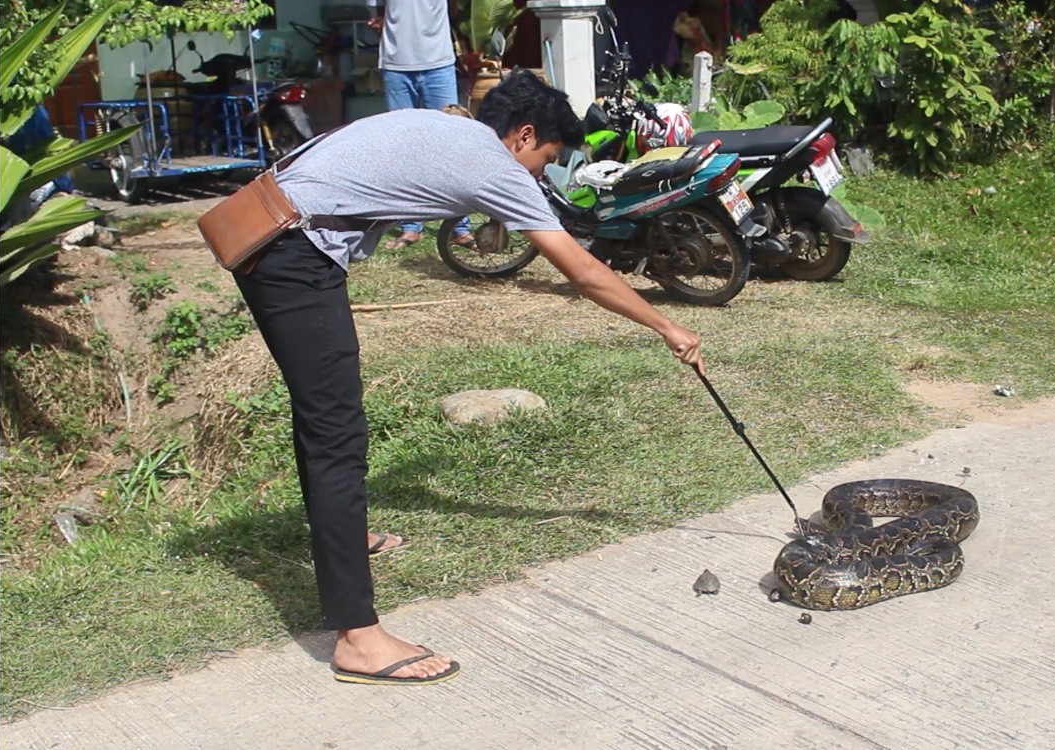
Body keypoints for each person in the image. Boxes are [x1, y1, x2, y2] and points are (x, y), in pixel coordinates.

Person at [233, 70, 705, 686]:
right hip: (289, 250)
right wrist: (667, 326)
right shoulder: (496, 164)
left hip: (270, 227)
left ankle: (346, 535)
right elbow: (584, 273)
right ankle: (357, 637)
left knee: (325, 417)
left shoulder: (451, 128)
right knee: (336, 431)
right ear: (523, 135)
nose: (539, 175)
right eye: (546, 160)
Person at [366, 0, 472, 250]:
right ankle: (411, 227)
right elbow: (377, 12)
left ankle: (459, 227)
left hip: (439, 63)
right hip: (396, 66)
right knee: (403, 147)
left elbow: (456, 9)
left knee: (450, 145)